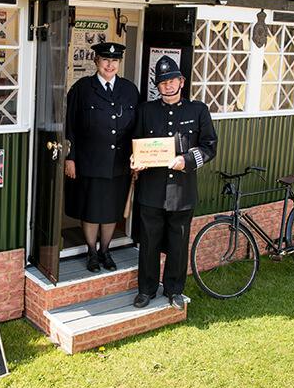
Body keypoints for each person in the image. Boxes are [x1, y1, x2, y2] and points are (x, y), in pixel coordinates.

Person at [131, 55, 217, 309]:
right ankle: (146, 290)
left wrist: (187, 160)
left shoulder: (198, 110)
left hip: (182, 191)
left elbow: (210, 147)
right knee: (149, 244)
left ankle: (174, 290)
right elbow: (136, 143)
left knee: (178, 245)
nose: (168, 86)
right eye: (162, 82)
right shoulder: (146, 111)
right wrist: (135, 159)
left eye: (172, 80)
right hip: (151, 191)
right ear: (157, 86)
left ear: (181, 80)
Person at [65, 42, 140, 272]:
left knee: (110, 211)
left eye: (115, 61)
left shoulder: (129, 89)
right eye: (105, 60)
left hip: (118, 164)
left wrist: (138, 158)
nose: (110, 65)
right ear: (96, 61)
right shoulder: (81, 89)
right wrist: (70, 158)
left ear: (119, 63)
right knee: (91, 210)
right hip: (90, 161)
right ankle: (91, 252)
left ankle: (105, 251)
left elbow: (138, 127)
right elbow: (70, 127)